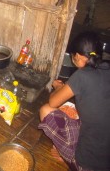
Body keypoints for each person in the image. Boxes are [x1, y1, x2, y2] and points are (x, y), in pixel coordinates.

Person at [38, 31, 110, 171]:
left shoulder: (82, 75)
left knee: (45, 110)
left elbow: (53, 102)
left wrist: (58, 87)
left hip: (87, 164)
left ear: (77, 56)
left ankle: (68, 158)